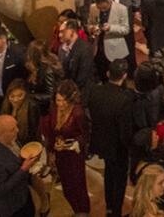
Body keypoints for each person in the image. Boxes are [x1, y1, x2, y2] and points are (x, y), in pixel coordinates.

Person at [89, 63, 139, 217]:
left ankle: (110, 207)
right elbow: (125, 130)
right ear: (124, 76)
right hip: (118, 146)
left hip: (101, 141)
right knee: (119, 179)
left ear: (108, 73)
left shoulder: (95, 92)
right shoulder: (125, 99)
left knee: (109, 174)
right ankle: (116, 211)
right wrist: (129, 146)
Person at [42, 79, 90, 216]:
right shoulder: (54, 109)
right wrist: (51, 150)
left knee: (78, 185)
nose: (61, 104)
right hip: (60, 155)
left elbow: (85, 134)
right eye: (58, 100)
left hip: (74, 155)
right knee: (67, 185)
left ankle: (83, 211)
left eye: (64, 101)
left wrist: (73, 143)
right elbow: (50, 131)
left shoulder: (78, 113)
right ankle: (75, 209)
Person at [0, 114, 35, 217]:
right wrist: (23, 169)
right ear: (1, 134)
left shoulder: (11, 140)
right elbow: (0, 190)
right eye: (12, 129)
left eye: (16, 126)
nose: (17, 130)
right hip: (11, 208)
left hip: (22, 196)